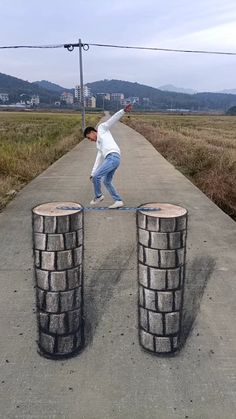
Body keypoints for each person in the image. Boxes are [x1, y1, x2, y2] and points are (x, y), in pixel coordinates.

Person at [84, 103, 132, 208]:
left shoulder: (102, 128)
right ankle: (118, 201)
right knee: (106, 181)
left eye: (89, 137)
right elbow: (98, 159)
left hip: (113, 157)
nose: (90, 140)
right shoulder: (99, 145)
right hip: (113, 159)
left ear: (92, 132)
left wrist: (123, 111)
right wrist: (92, 173)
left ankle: (98, 196)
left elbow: (112, 120)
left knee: (97, 176)